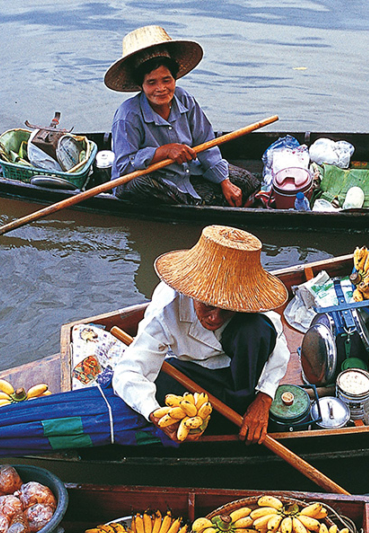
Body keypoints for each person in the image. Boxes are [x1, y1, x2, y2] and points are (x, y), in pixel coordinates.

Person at [113, 225, 290, 444]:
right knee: (155, 392)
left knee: (258, 329)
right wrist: (154, 414)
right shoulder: (166, 310)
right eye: (207, 306)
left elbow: (279, 343)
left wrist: (264, 397)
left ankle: (243, 402)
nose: (214, 318)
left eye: (225, 309)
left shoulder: (249, 296)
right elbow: (128, 371)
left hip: (244, 371)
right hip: (194, 373)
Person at [104, 26, 259, 206]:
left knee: (247, 182)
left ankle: (214, 199)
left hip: (186, 170)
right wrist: (163, 152)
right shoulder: (128, 115)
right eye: (151, 82)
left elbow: (206, 144)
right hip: (149, 178)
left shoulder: (184, 99)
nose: (161, 89)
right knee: (140, 185)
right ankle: (201, 202)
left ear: (175, 78)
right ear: (141, 85)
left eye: (166, 80)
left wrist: (225, 182)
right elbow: (124, 166)